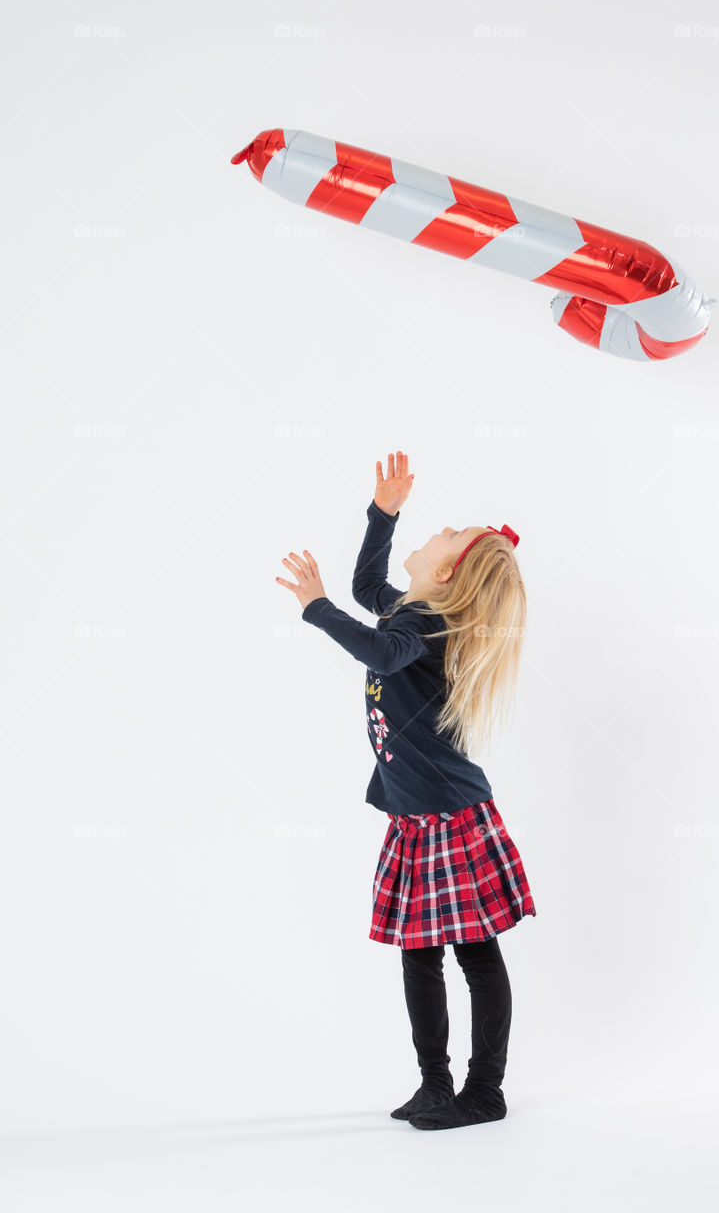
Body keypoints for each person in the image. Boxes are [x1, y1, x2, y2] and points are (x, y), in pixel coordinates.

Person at [276, 450, 536, 1130]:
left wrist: (315, 609)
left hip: (450, 813)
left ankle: (484, 1091)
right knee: (417, 952)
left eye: (448, 533)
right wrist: (383, 512)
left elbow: (381, 650)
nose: (440, 527)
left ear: (448, 569)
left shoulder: (426, 626)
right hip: (416, 814)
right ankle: (432, 1083)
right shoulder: (411, 610)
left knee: (473, 951)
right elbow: (369, 585)